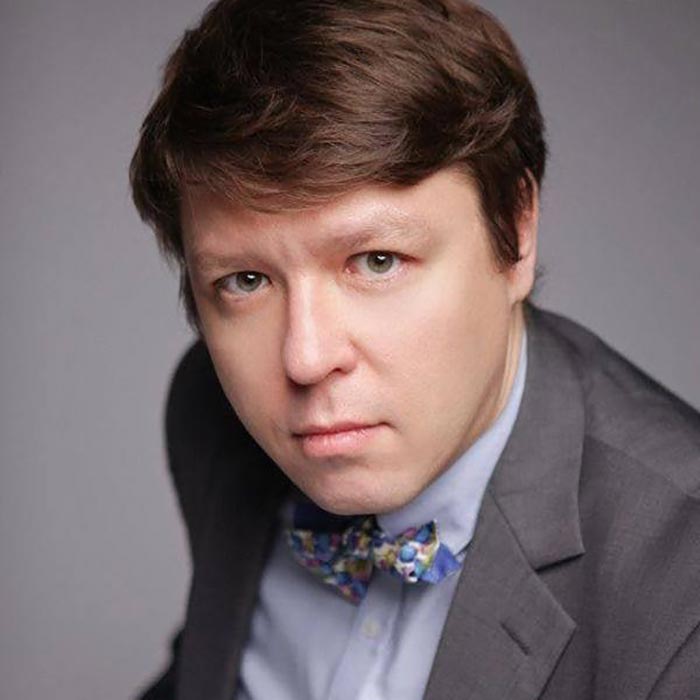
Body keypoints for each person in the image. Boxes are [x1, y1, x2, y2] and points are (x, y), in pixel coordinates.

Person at [129, 1, 700, 698]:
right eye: (247, 281)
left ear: (516, 232)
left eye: (376, 261)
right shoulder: (211, 416)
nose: (305, 359)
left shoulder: (682, 591)